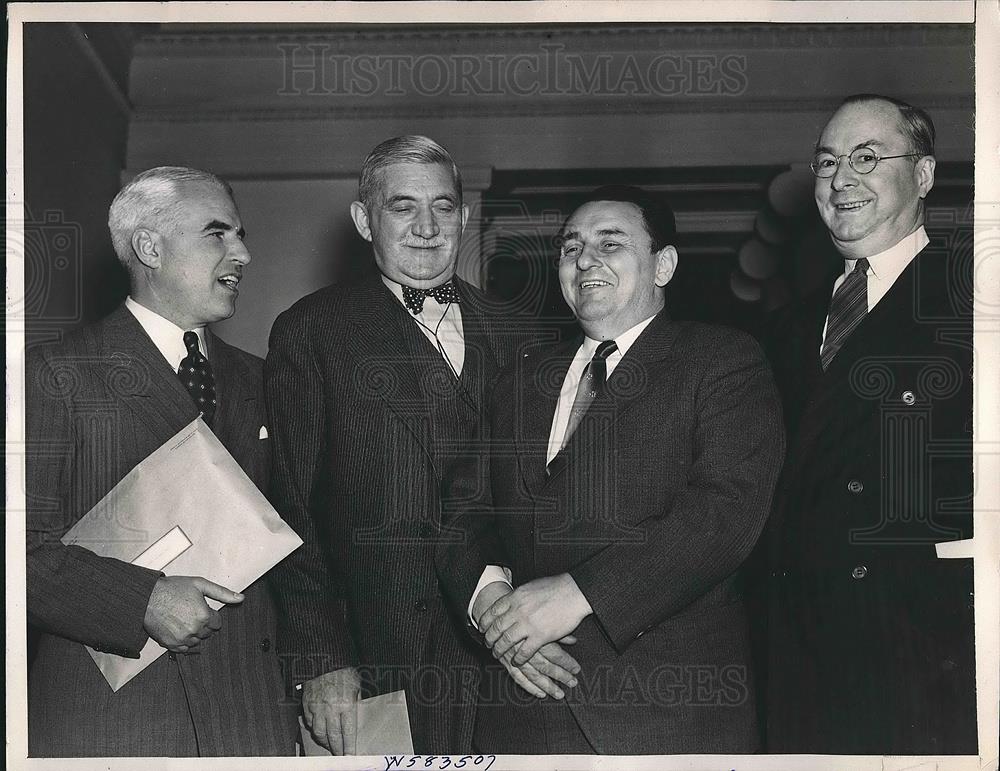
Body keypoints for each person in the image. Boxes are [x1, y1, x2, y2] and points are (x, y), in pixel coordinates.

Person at [435, 185, 786, 754]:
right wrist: (494, 612)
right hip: (521, 710)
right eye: (571, 247)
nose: (585, 260)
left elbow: (725, 514)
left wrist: (580, 594)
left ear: (663, 265)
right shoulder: (519, 377)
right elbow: (464, 514)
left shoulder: (722, 362)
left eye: (611, 244)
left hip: (665, 717)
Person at [266, 135, 550, 755]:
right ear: (364, 220)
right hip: (378, 658)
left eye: (443, 207)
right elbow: (288, 506)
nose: (427, 228)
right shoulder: (312, 330)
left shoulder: (521, 330)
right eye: (402, 207)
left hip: (507, 659)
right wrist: (320, 659)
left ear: (465, 217)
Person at [26, 166, 297, 756]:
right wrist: (140, 599)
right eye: (217, 234)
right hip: (114, 722)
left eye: (241, 234)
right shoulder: (54, 374)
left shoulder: (265, 379)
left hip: (251, 718)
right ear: (148, 246)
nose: (243, 253)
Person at [762, 94, 977, 754]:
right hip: (798, 653)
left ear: (923, 175)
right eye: (827, 163)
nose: (839, 179)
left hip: (923, 646)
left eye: (865, 157)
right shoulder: (786, 325)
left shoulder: (974, 297)